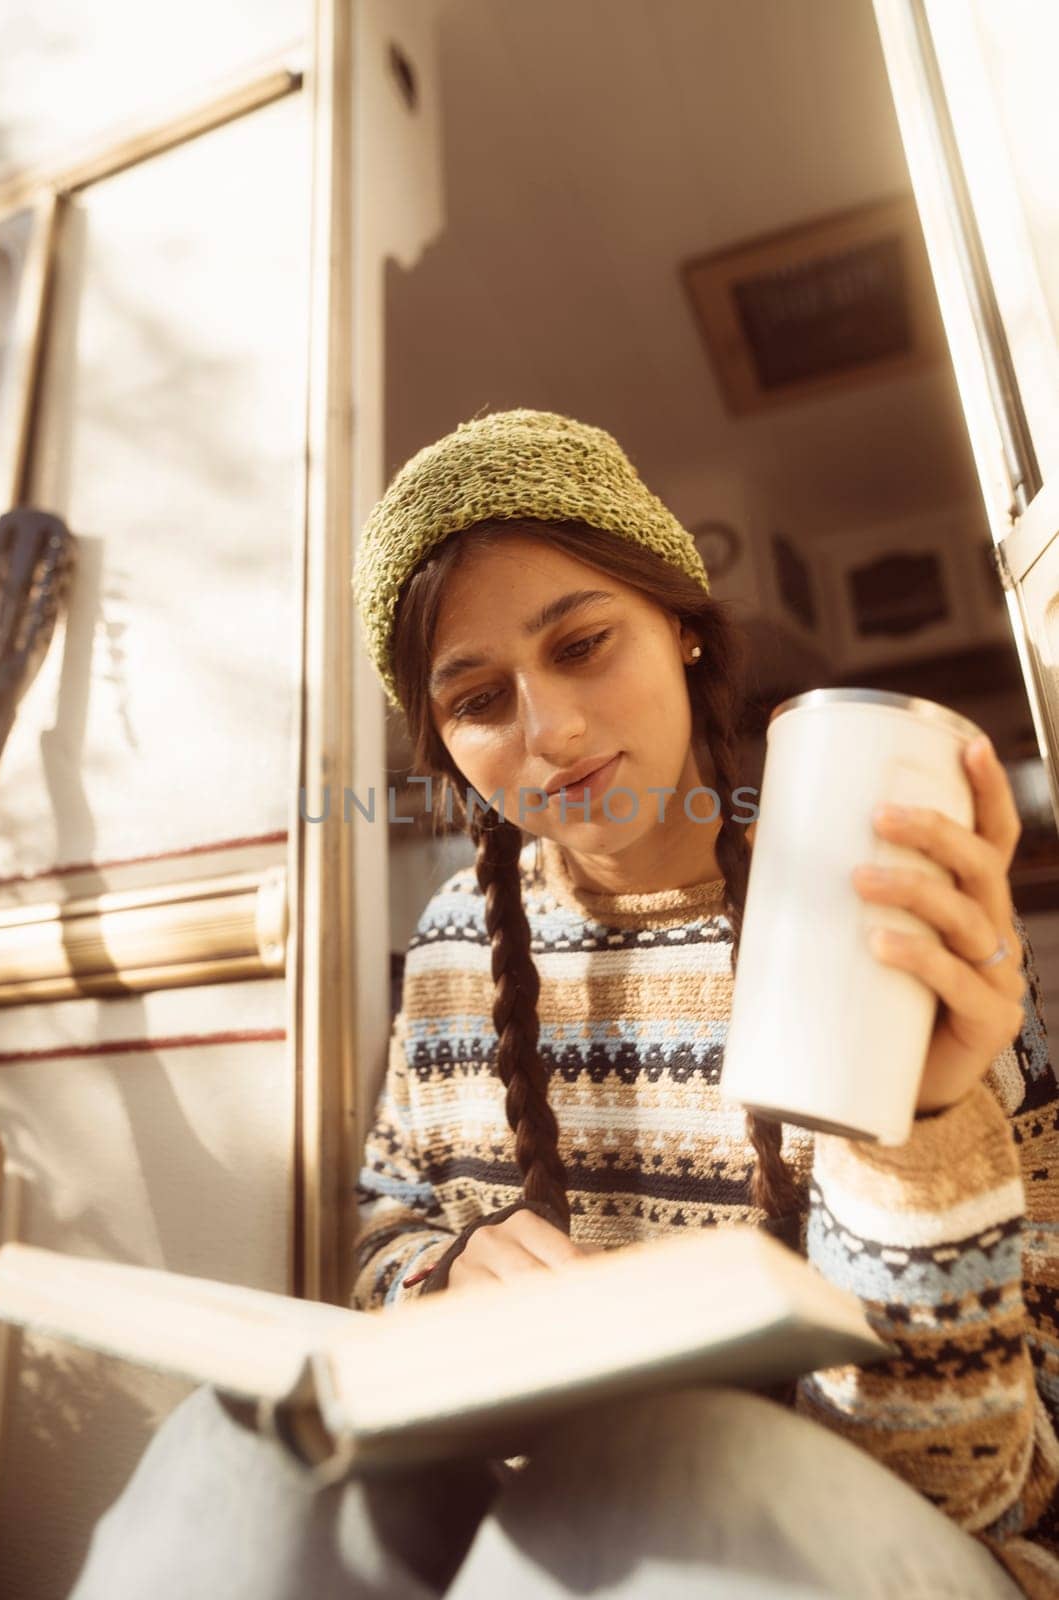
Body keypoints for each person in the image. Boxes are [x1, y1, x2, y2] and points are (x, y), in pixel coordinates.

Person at [69, 409, 1056, 1600]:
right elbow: (389, 1225)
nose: (551, 731)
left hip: (877, 1520)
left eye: (582, 643)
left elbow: (988, 1479)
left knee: (665, 1464)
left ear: (683, 628)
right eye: (478, 699)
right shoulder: (453, 942)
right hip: (532, 1505)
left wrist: (928, 1140)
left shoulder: (894, 918)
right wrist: (444, 1272)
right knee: (234, 1445)